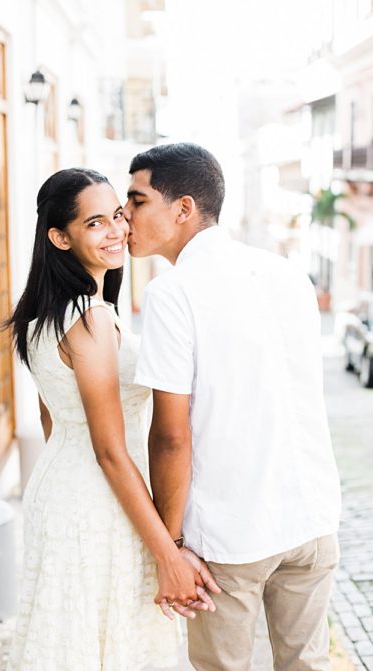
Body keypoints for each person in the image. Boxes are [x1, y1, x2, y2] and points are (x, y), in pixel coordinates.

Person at [125, 143, 342, 670]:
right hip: (313, 517)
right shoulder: (287, 273)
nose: (123, 215)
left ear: (183, 208)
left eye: (136, 200)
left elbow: (171, 435)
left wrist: (172, 544)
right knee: (308, 664)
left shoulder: (171, 294)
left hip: (233, 533)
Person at [5, 168, 219, 671]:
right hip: (99, 500)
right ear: (60, 237)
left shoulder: (43, 315)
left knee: (73, 635)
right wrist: (169, 553)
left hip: (61, 489)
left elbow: (52, 418)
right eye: (95, 223)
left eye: (118, 216)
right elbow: (109, 450)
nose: (118, 231)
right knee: (108, 636)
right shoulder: (89, 317)